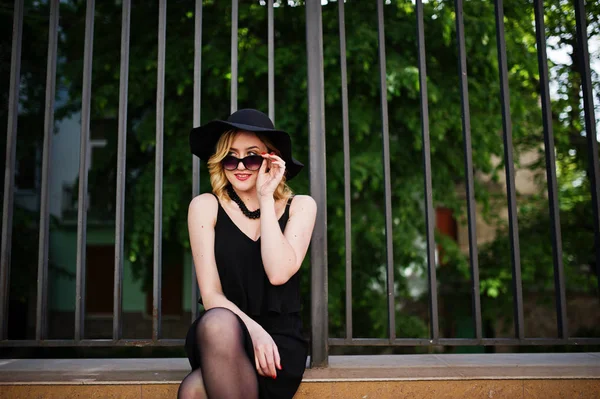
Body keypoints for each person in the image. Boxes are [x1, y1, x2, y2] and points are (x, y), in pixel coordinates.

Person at [178, 108, 317, 399]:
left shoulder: (301, 206)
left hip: (278, 343)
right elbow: (211, 294)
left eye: (252, 156)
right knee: (217, 324)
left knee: (194, 391)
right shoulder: (205, 207)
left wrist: (267, 197)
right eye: (230, 156)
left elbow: (278, 273)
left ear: (271, 159)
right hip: (223, 336)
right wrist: (253, 331)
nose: (240, 165)